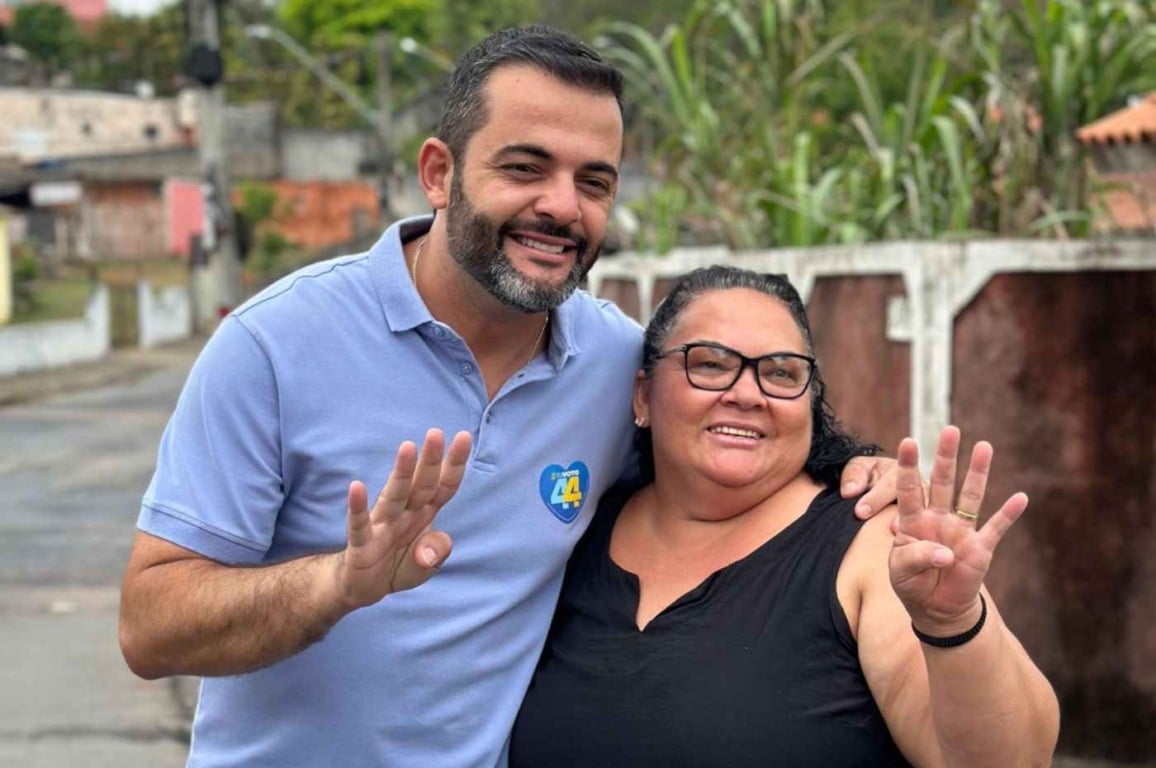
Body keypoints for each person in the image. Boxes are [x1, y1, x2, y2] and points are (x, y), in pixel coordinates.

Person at [118, 27, 897, 768]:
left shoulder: (618, 366)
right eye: (525, 168)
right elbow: (149, 628)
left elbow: (732, 446)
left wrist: (858, 474)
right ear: (438, 173)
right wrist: (338, 584)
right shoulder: (274, 346)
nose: (562, 207)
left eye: (594, 182)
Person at [509, 265, 1060, 767]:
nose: (748, 393)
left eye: (779, 373)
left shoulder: (876, 542)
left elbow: (1010, 761)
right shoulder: (579, 528)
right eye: (710, 364)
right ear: (643, 395)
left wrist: (952, 623)